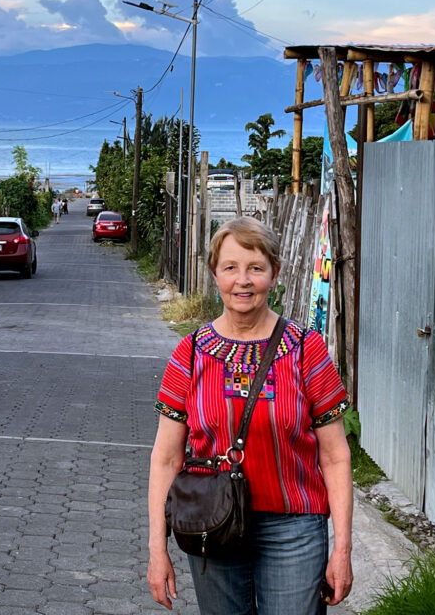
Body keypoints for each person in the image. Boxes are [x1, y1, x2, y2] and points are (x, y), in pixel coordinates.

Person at [147, 217, 353, 615]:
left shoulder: (306, 350)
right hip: (212, 522)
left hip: (295, 529)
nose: (243, 280)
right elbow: (166, 458)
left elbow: (335, 456)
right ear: (214, 275)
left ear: (274, 274)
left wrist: (342, 547)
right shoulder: (190, 354)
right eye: (230, 268)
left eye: (256, 268)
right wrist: (158, 548)